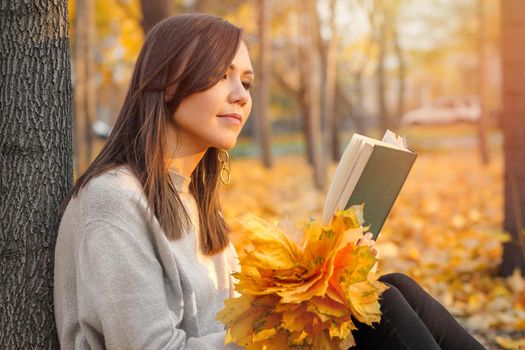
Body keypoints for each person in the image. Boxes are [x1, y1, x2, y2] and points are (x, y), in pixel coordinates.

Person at [53, 13, 485, 350]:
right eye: (222, 75)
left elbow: (241, 316)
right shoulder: (112, 202)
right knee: (382, 307)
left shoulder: (192, 197)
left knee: (390, 287)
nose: (241, 96)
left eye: (246, 82)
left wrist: (320, 277)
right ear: (166, 82)